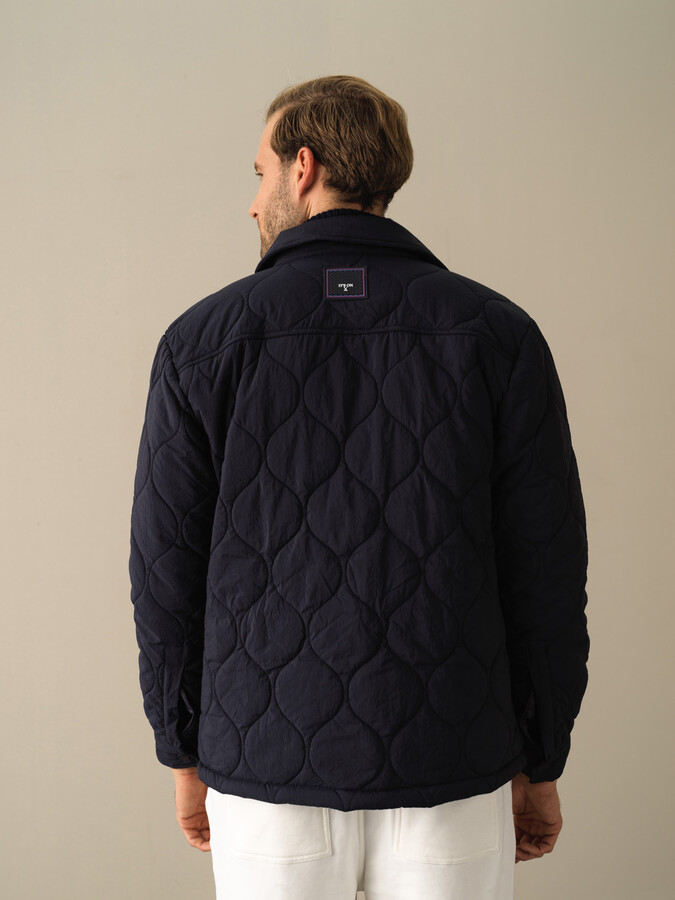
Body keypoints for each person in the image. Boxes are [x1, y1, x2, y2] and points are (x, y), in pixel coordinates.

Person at [128, 75, 590, 899]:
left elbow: (165, 577)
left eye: (260, 172)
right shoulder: (497, 335)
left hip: (264, 771)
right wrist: (541, 756)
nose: (252, 201)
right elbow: (546, 573)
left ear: (302, 168)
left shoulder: (201, 341)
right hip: (453, 763)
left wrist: (181, 752)